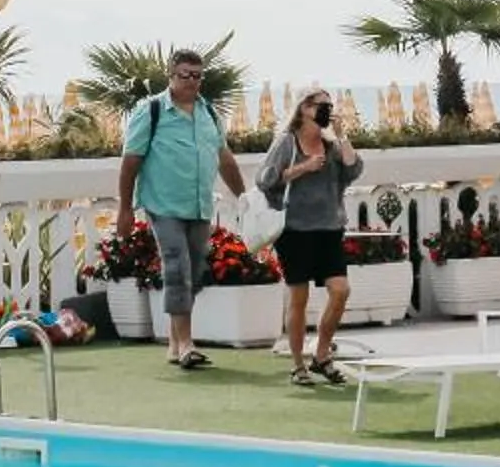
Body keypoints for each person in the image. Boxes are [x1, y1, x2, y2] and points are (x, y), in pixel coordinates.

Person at [117, 50, 247, 371]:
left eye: (197, 75)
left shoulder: (209, 114)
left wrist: (245, 197)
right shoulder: (152, 111)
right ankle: (188, 343)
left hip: (199, 204)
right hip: (163, 204)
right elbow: (131, 161)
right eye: (185, 74)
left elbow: (224, 157)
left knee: (194, 272)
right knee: (177, 266)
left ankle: (175, 345)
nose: (192, 81)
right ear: (171, 75)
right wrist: (124, 208)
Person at [259, 86, 361, 385]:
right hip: (295, 231)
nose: (327, 110)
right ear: (304, 108)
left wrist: (342, 136)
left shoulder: (331, 147)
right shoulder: (286, 143)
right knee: (299, 298)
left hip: (329, 229)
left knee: (340, 290)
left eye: (330, 105)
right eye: (321, 105)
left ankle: (321, 355)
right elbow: (265, 179)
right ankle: (297, 365)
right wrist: (301, 168)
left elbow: (354, 171)